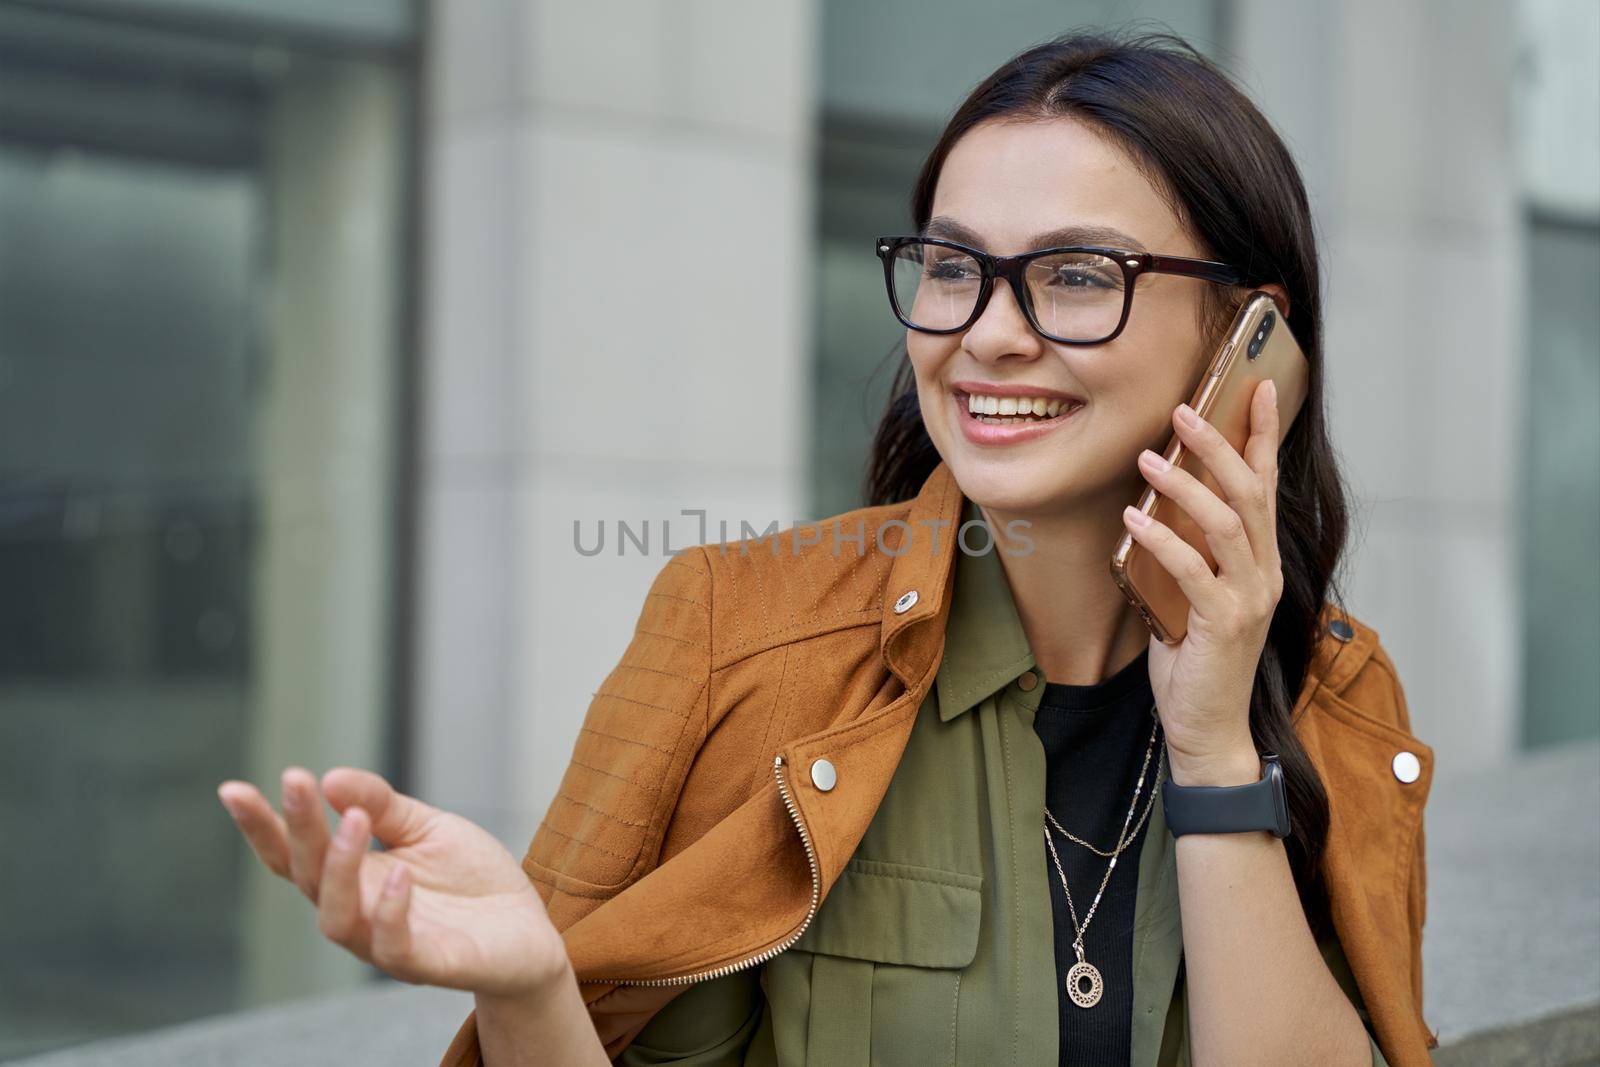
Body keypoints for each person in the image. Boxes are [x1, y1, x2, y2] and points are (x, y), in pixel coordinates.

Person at [216, 28, 1438, 1067]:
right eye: (952, 266)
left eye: (1073, 275)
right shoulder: (738, 631)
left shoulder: (1335, 693)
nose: (986, 334)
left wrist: (1215, 741)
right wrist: (532, 985)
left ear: (1251, 332)